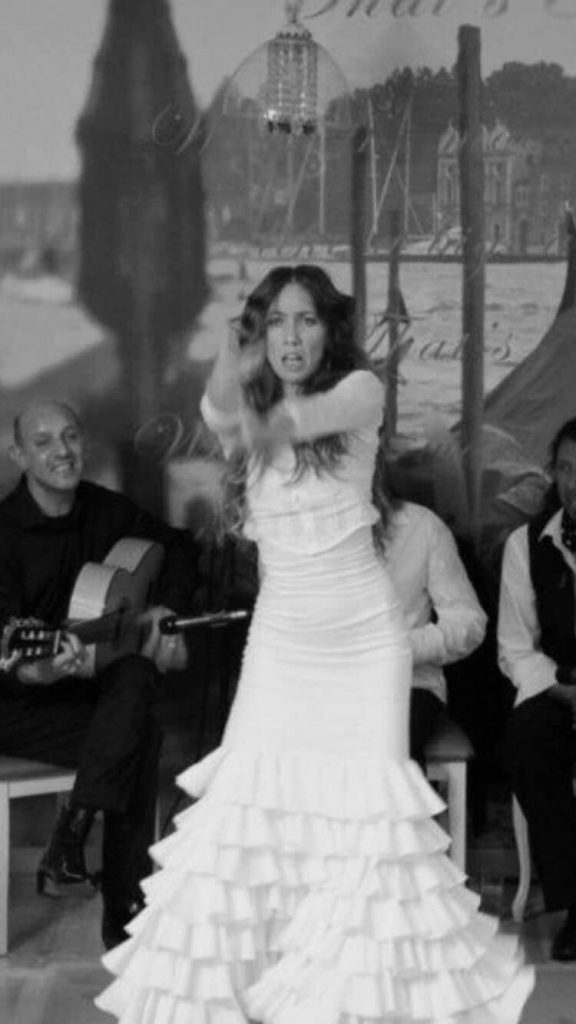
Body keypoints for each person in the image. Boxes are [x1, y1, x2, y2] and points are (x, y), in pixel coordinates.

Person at [98, 265, 533, 1022]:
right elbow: (216, 407)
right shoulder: (252, 401)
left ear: (330, 330)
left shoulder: (360, 392)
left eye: (306, 321)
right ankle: (257, 992)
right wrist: (233, 353)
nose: (292, 337)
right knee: (250, 811)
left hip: (364, 644)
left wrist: (252, 406)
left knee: (362, 829)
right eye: (276, 323)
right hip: (282, 641)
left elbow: (289, 421)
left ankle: (348, 1005)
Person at [0, 399, 198, 950]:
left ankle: (74, 831)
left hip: (93, 698)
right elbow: (5, 653)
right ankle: (124, 912)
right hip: (18, 706)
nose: (62, 451)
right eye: (43, 442)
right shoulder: (2, 534)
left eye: (70, 436)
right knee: (138, 734)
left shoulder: (106, 510)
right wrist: (36, 671)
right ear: (19, 455)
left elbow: (180, 546)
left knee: (133, 678)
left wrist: (165, 606)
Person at [499, 416, 576, 962]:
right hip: (558, 687)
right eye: (566, 469)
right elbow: (515, 647)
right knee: (524, 743)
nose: (575, 483)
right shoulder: (525, 545)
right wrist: (561, 690)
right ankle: (575, 902)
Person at [385, 500, 487, 762]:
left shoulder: (422, 525)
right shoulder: (295, 528)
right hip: (318, 685)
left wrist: (406, 648)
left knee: (386, 741)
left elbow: (468, 621)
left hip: (409, 685)